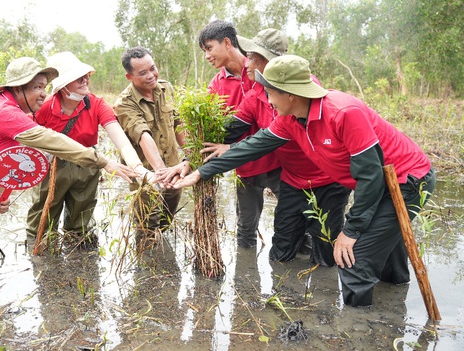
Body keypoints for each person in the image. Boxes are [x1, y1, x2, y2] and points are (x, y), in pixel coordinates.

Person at [172, 54, 435, 307]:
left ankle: (357, 332)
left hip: (407, 181)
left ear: (291, 94)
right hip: (380, 183)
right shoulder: (289, 120)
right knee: (383, 243)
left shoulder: (343, 112)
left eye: (270, 92)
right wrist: (201, 171)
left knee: (354, 259)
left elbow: (371, 176)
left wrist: (351, 231)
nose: (267, 98)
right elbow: (251, 146)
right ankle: (394, 303)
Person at [0, 57, 136, 266]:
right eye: (37, 87)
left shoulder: (21, 114)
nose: (44, 93)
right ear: (17, 89)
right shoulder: (4, 112)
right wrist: (102, 162)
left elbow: (7, 159)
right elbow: (51, 140)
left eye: (45, 87)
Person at [203, 29, 351, 266]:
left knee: (323, 244)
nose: (246, 63)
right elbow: (233, 129)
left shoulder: (305, 87)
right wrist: (199, 151)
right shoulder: (255, 95)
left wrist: (232, 149)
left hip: (325, 179)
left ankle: (324, 294)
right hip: (292, 179)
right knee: (282, 248)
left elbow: (273, 137)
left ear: (267, 61)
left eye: (251, 57)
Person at [26, 52, 154, 246]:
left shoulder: (97, 104)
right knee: (42, 223)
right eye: (77, 77)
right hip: (52, 166)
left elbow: (121, 139)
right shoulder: (43, 107)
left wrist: (138, 168)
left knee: (81, 225)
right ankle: (43, 262)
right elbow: (25, 144)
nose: (85, 79)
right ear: (62, 85)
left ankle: (82, 265)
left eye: (85, 75)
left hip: (87, 165)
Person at [198, 20, 281, 248]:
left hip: (278, 161)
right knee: (246, 230)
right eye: (204, 51)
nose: (207, 56)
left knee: (293, 224)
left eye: (209, 48)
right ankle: (245, 278)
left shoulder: (258, 67)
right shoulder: (216, 85)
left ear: (227, 43)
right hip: (244, 165)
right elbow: (222, 131)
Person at [113, 46, 189, 232]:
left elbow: (179, 124)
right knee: (147, 225)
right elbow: (143, 135)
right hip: (145, 174)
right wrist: (161, 173)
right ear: (129, 77)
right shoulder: (124, 103)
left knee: (165, 221)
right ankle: (145, 256)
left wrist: (190, 156)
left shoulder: (166, 88)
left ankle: (161, 256)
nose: (151, 75)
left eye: (152, 68)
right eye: (143, 73)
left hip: (173, 167)